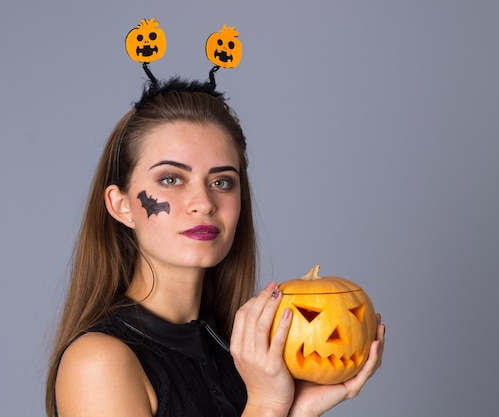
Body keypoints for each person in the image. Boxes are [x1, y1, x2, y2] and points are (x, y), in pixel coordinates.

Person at [45, 77, 385, 417]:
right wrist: (267, 405)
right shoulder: (97, 362)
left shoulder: (243, 355)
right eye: (171, 179)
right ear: (121, 205)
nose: (204, 203)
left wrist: (297, 411)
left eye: (221, 182)